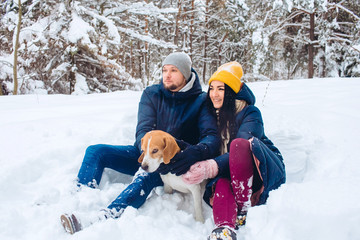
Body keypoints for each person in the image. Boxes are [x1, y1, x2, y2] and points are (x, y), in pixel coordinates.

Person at [60, 52, 221, 234]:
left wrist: (194, 152)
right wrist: (146, 151)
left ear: (185, 74)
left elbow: (211, 137)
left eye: (173, 70)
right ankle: (78, 199)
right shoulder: (152, 94)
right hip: (145, 154)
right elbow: (143, 129)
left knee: (143, 177)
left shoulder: (201, 101)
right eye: (164, 70)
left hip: (175, 163)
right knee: (96, 151)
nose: (167, 75)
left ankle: (107, 214)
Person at [181, 62, 286, 240]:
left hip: (262, 171)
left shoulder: (250, 113)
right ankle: (225, 228)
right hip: (230, 174)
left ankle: (243, 208)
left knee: (238, 145)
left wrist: (212, 166)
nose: (214, 94)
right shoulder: (211, 116)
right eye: (211, 88)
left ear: (231, 91)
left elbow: (245, 145)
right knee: (221, 183)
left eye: (220, 89)